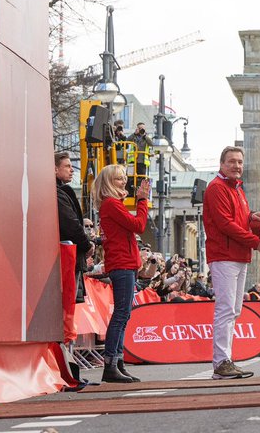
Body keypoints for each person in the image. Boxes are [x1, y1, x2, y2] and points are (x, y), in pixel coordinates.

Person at [203, 146, 260, 380]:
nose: (237, 166)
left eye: (240, 162)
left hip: (237, 255)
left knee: (234, 310)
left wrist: (251, 217)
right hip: (224, 255)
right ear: (222, 164)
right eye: (232, 161)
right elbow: (225, 224)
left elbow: (238, 220)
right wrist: (256, 241)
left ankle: (226, 359)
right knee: (225, 310)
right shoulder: (217, 188)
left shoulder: (236, 189)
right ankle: (221, 362)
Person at [92, 164, 150, 384]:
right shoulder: (111, 205)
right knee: (121, 315)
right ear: (109, 182)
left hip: (124, 263)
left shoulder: (113, 205)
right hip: (122, 264)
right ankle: (111, 364)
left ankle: (117, 362)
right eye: (118, 179)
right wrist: (142, 201)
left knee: (123, 315)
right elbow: (139, 225)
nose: (124, 181)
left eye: (124, 177)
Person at [55, 152, 92, 357]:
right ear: (55, 169)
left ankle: (66, 355)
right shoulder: (59, 193)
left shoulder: (61, 192)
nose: (72, 169)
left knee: (68, 309)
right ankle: (65, 357)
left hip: (70, 256)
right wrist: (86, 244)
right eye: (68, 166)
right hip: (67, 258)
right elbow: (71, 224)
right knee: (66, 309)